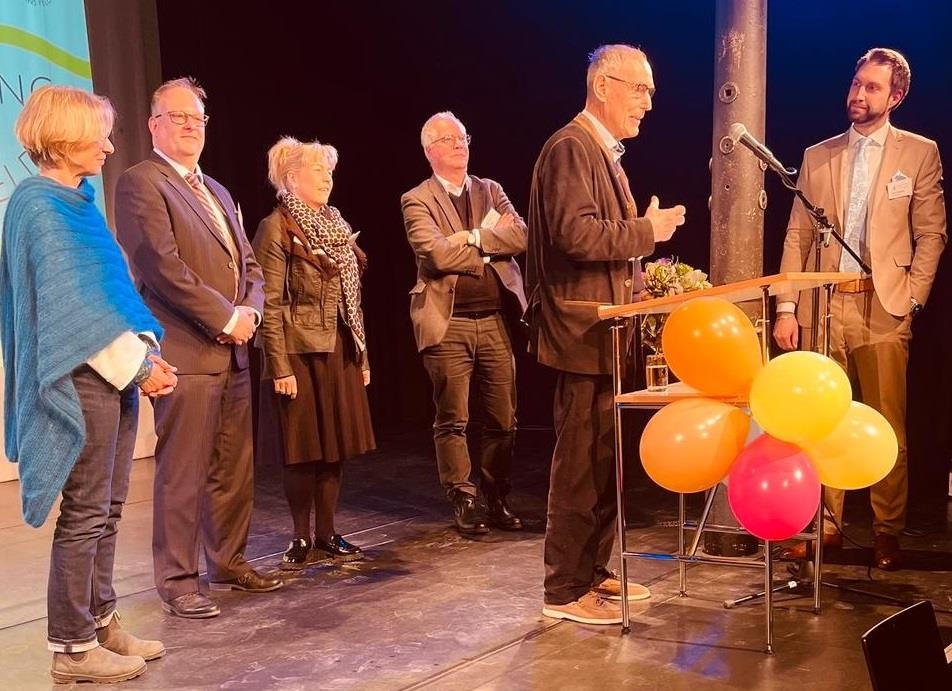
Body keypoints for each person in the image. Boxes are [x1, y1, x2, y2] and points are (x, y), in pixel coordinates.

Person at [0, 85, 178, 684]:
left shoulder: (76, 202)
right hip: (81, 380)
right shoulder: (37, 206)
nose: (108, 144)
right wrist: (139, 366)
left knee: (109, 507)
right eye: (99, 134)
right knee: (83, 512)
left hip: (114, 376)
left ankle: (101, 621)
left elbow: (108, 294)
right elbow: (70, 310)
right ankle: (72, 648)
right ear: (68, 135)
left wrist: (146, 351)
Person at [525, 45, 685, 624]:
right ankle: (564, 591)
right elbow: (576, 236)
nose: (647, 102)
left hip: (606, 334)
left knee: (603, 461)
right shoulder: (571, 147)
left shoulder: (601, 152)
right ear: (603, 87)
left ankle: (594, 571)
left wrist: (641, 287)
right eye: (639, 89)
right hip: (580, 333)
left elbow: (598, 245)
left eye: (650, 91)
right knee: (579, 464)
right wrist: (648, 230)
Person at [115, 77, 281, 619]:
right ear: (154, 124)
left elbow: (249, 265)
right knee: (182, 471)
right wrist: (225, 316)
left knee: (233, 468)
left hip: (233, 350)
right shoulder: (142, 182)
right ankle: (179, 579)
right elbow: (160, 267)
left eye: (198, 119)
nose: (190, 126)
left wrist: (250, 311)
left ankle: (229, 561)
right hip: (185, 350)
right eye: (178, 116)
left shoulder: (220, 192)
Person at [774, 48, 946, 571]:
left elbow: (931, 235)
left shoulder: (919, 153)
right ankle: (826, 526)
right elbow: (797, 235)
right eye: (855, 84)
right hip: (826, 304)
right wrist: (788, 307)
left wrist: (912, 299)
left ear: (896, 96)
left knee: (886, 424)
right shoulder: (818, 154)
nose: (858, 95)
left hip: (885, 304)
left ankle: (887, 529)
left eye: (872, 87)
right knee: (824, 421)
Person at [400, 112, 528, 536]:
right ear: (430, 150)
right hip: (448, 322)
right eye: (450, 139)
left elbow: (522, 236)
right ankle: (464, 498)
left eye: (463, 137)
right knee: (453, 417)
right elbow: (434, 255)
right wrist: (490, 249)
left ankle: (496, 497)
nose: (460, 145)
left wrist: (470, 238)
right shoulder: (416, 199)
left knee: (503, 418)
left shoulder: (491, 189)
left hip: (495, 320)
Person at [253, 137, 375, 568]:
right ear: (291, 179)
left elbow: (351, 302)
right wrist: (279, 364)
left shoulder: (337, 225)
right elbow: (268, 301)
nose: (327, 178)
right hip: (299, 352)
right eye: (317, 170)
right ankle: (300, 536)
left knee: (334, 447)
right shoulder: (277, 227)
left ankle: (327, 532)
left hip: (338, 348)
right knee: (302, 449)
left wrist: (361, 356)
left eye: (329, 170)